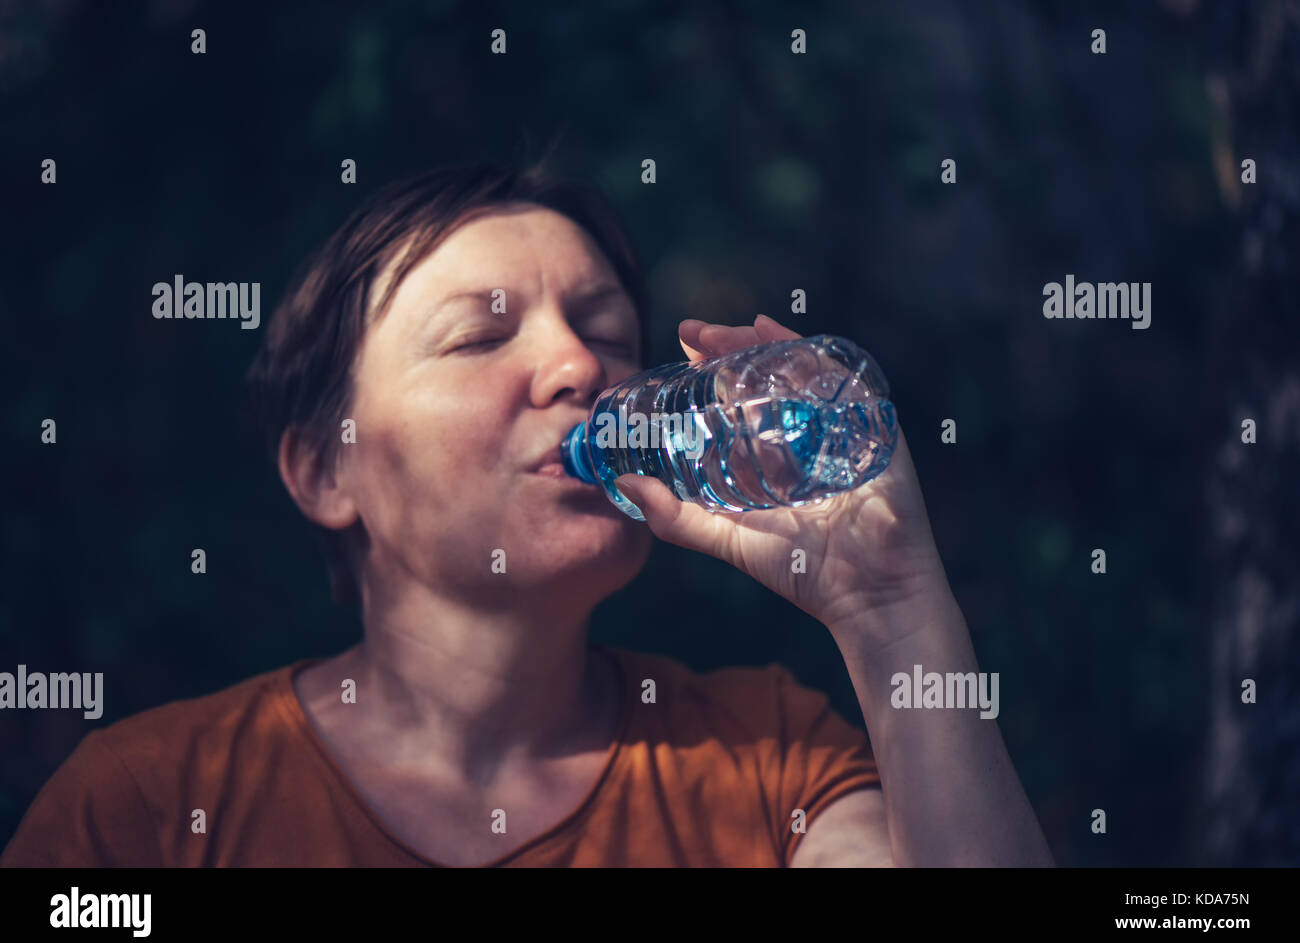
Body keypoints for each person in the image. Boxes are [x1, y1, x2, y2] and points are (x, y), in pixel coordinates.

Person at [1, 162, 1052, 867]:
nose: (577, 366)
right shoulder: (142, 811)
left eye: (601, 327)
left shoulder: (768, 764)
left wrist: (893, 611)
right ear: (328, 470)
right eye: (477, 338)